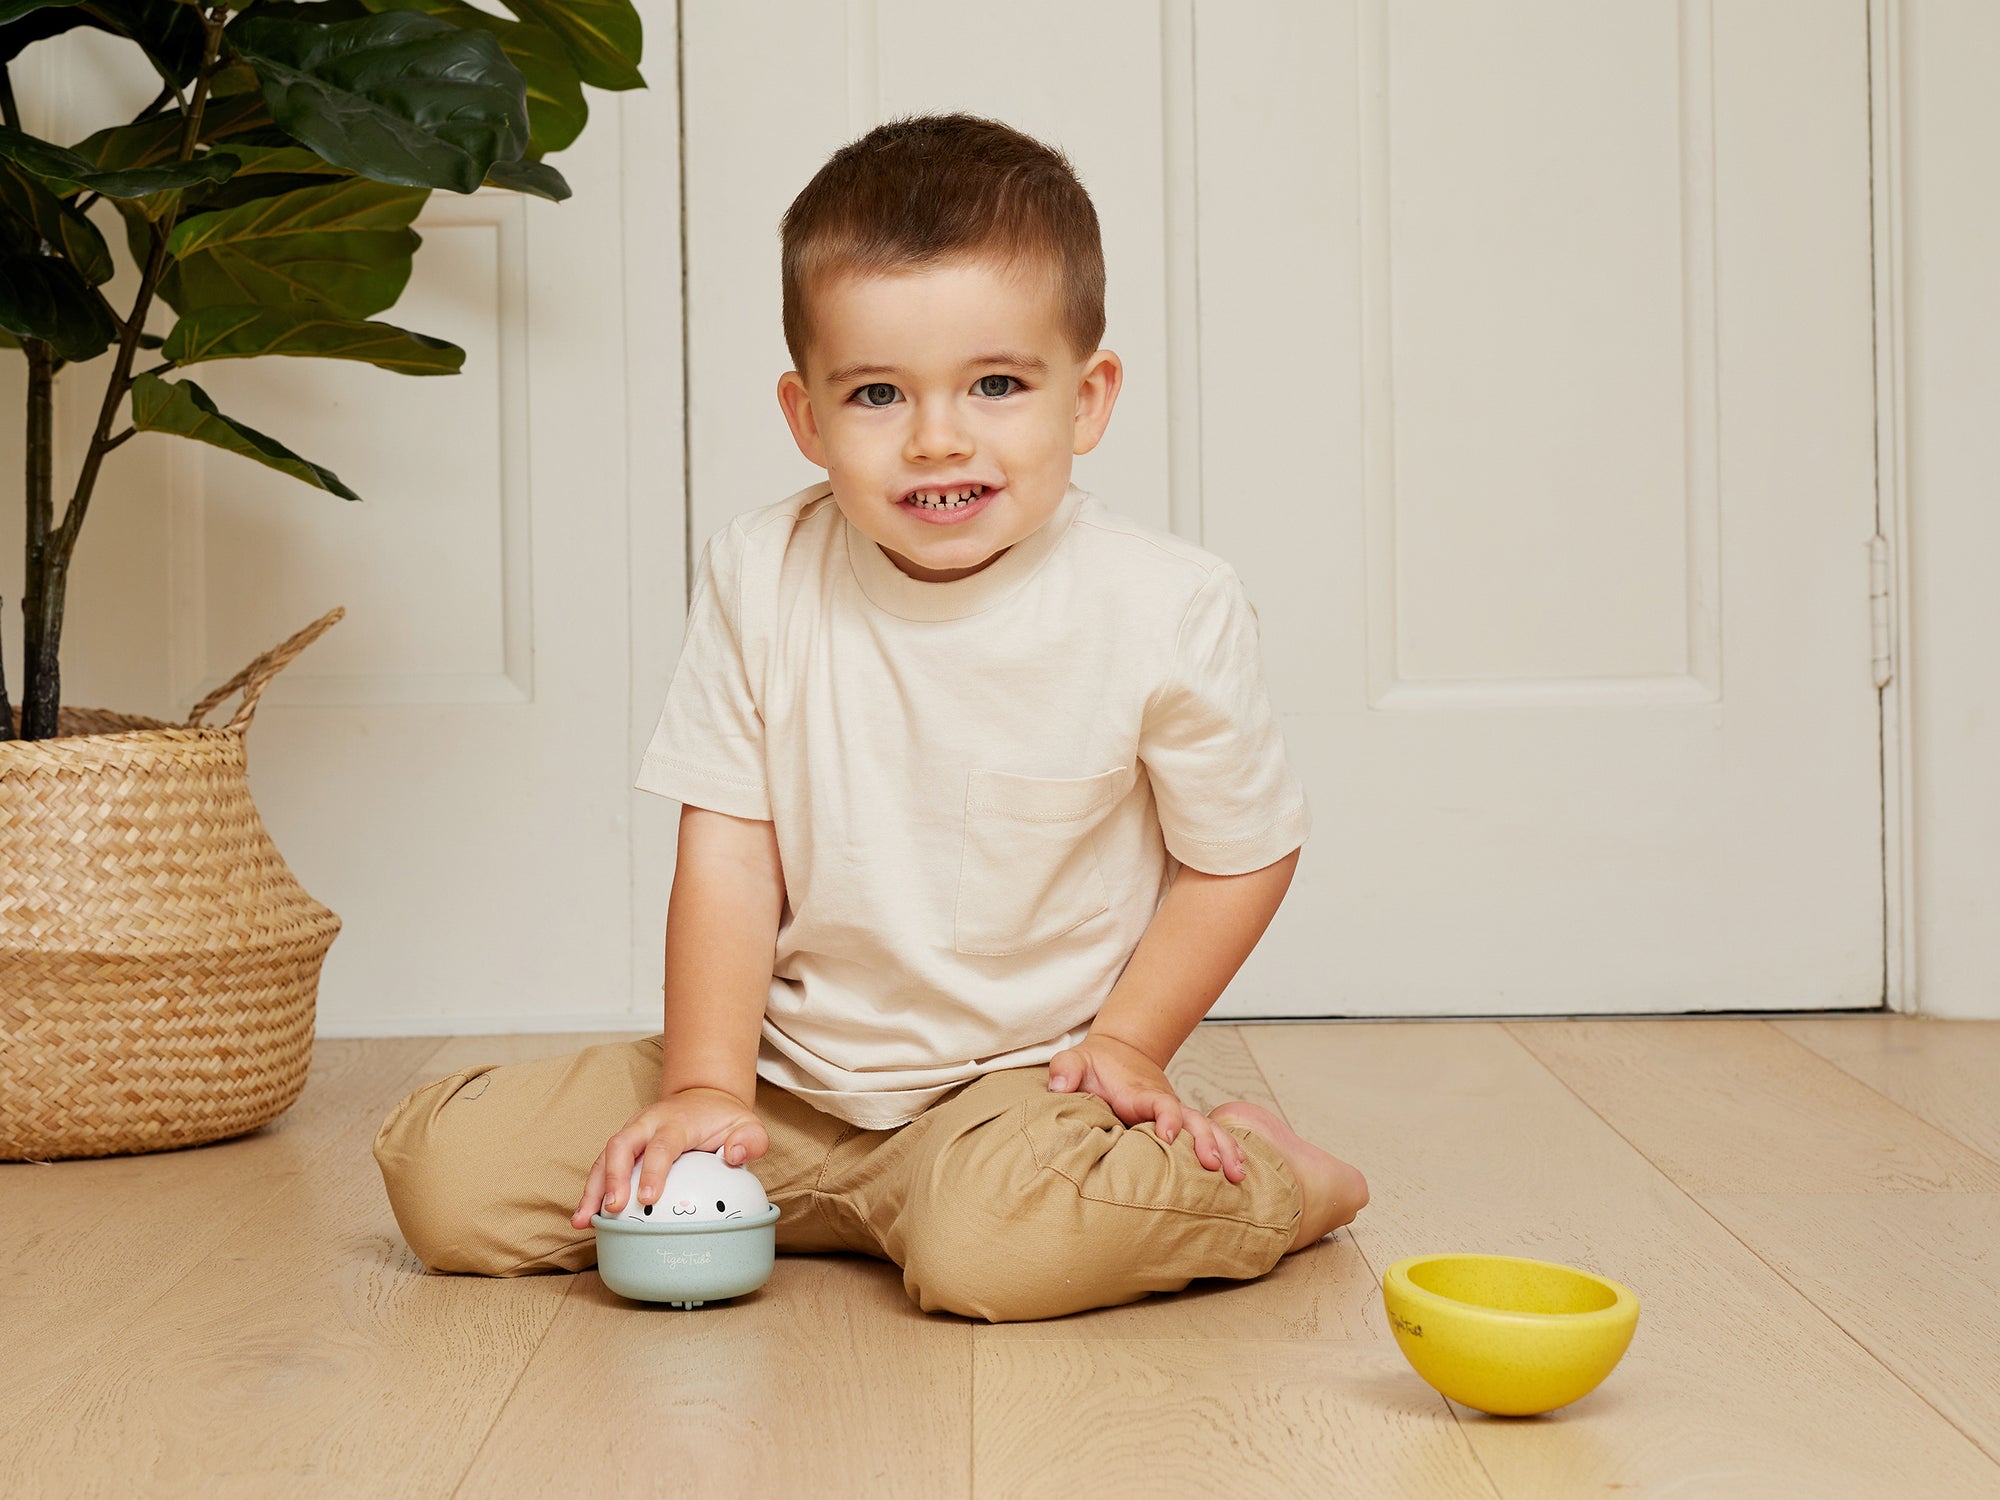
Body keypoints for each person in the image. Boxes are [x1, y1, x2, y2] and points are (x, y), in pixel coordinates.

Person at [372, 112, 1367, 1322]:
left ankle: (1270, 1181)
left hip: (1011, 1093)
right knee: (445, 1180)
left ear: (1087, 398)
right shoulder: (761, 570)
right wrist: (702, 1085)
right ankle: (823, 1200)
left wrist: (1126, 1048)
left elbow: (1240, 852)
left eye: (996, 385)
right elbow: (731, 854)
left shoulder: (1162, 606)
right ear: (805, 417)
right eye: (879, 393)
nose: (938, 438)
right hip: (783, 1083)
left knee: (989, 1250)